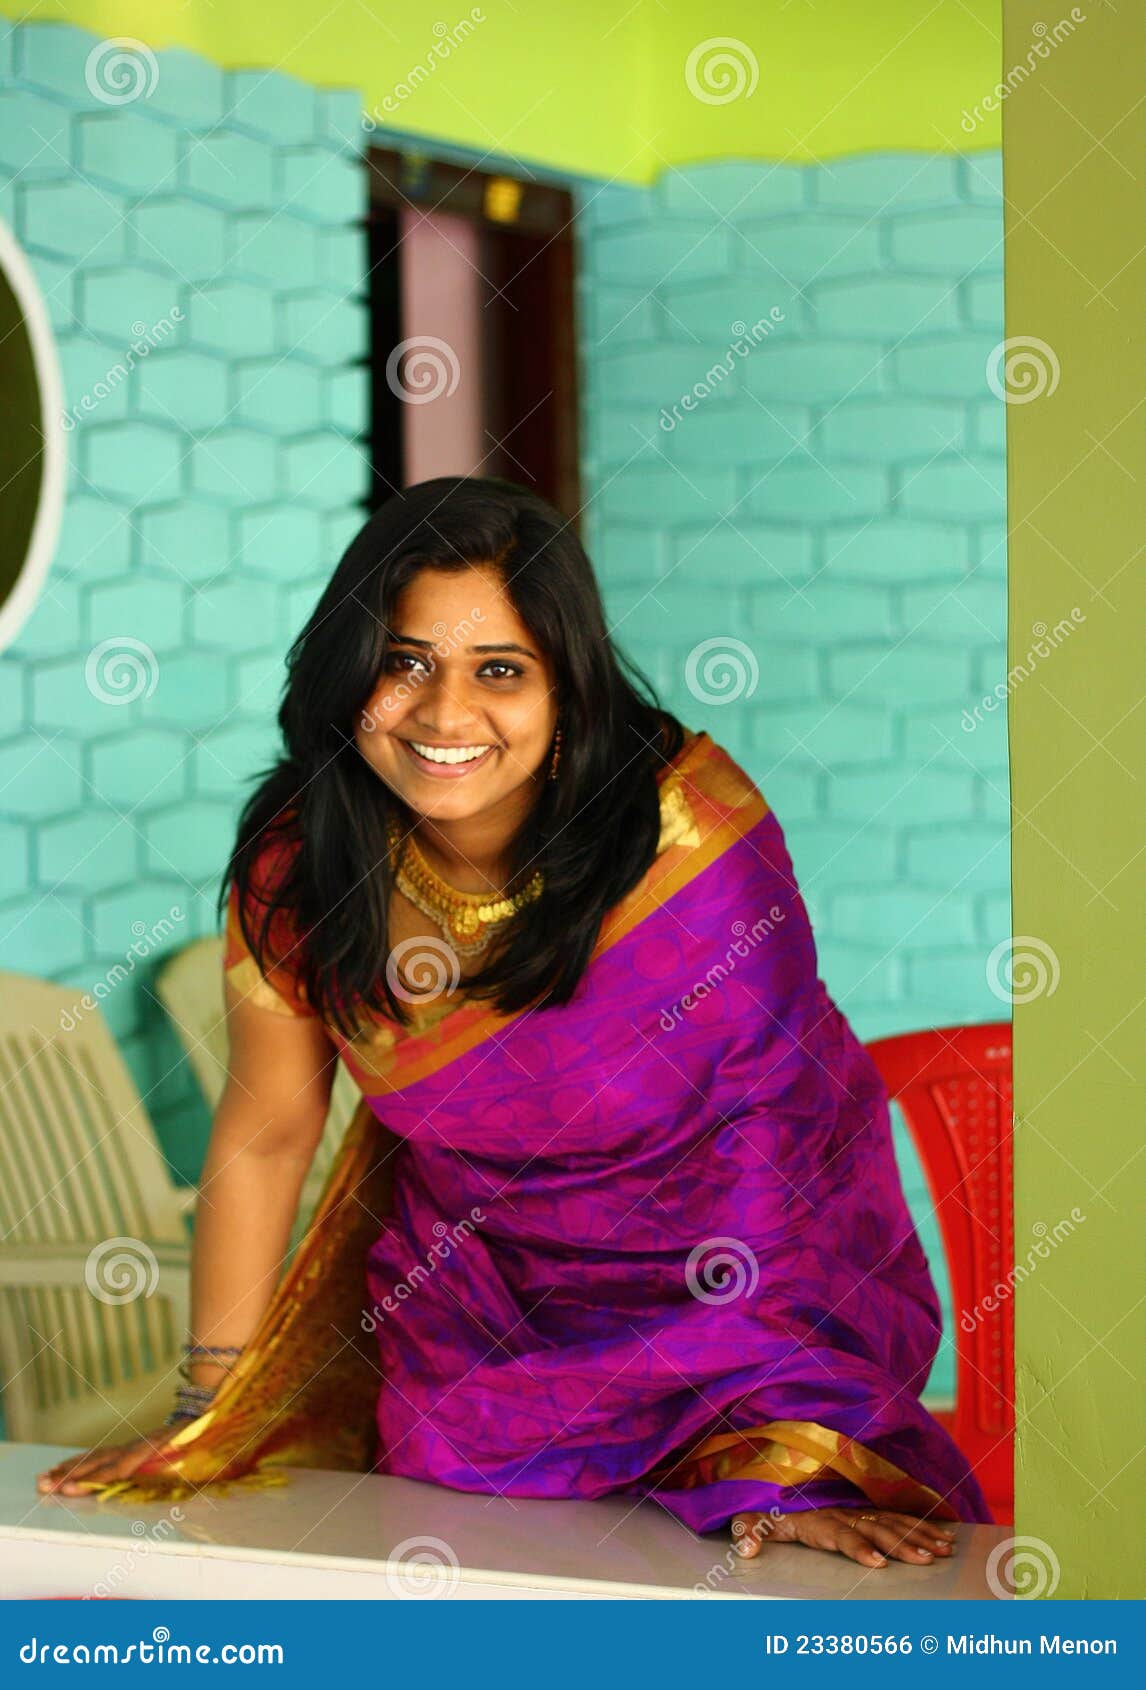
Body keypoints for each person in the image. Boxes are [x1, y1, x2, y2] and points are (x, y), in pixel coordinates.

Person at [36, 476, 986, 1573]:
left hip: (732, 1310)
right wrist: (212, 1415)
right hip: (478, 1349)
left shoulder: (684, 843)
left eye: (501, 670)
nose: (445, 716)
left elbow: (772, 1146)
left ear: (569, 693)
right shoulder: (302, 868)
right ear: (350, 674)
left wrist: (775, 1448)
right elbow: (263, 1136)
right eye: (404, 663)